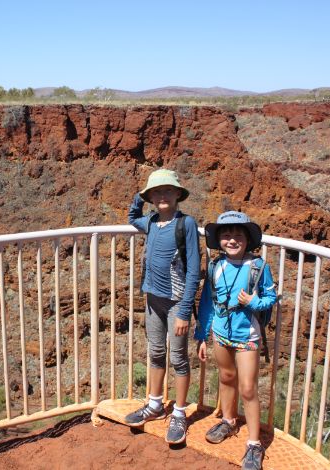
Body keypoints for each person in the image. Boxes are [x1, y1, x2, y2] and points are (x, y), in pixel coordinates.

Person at [124, 169, 201, 445]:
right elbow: (133, 218)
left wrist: (184, 310)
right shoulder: (152, 221)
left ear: (178, 194)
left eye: (168, 190)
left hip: (176, 302)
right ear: (151, 197)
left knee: (178, 357)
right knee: (156, 351)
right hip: (152, 299)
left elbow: (194, 270)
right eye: (156, 192)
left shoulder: (186, 224)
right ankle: (155, 404)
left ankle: (179, 412)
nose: (163, 196)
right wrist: (139, 196)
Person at [195, 211, 276, 470]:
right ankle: (229, 421)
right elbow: (208, 303)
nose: (232, 240)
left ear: (247, 238)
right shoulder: (217, 267)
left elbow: (270, 298)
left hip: (247, 336)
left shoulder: (258, 267)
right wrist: (201, 336)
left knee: (248, 388)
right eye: (226, 235)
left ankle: (254, 443)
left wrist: (252, 302)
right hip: (220, 333)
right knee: (226, 377)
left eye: (237, 235)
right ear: (219, 240)